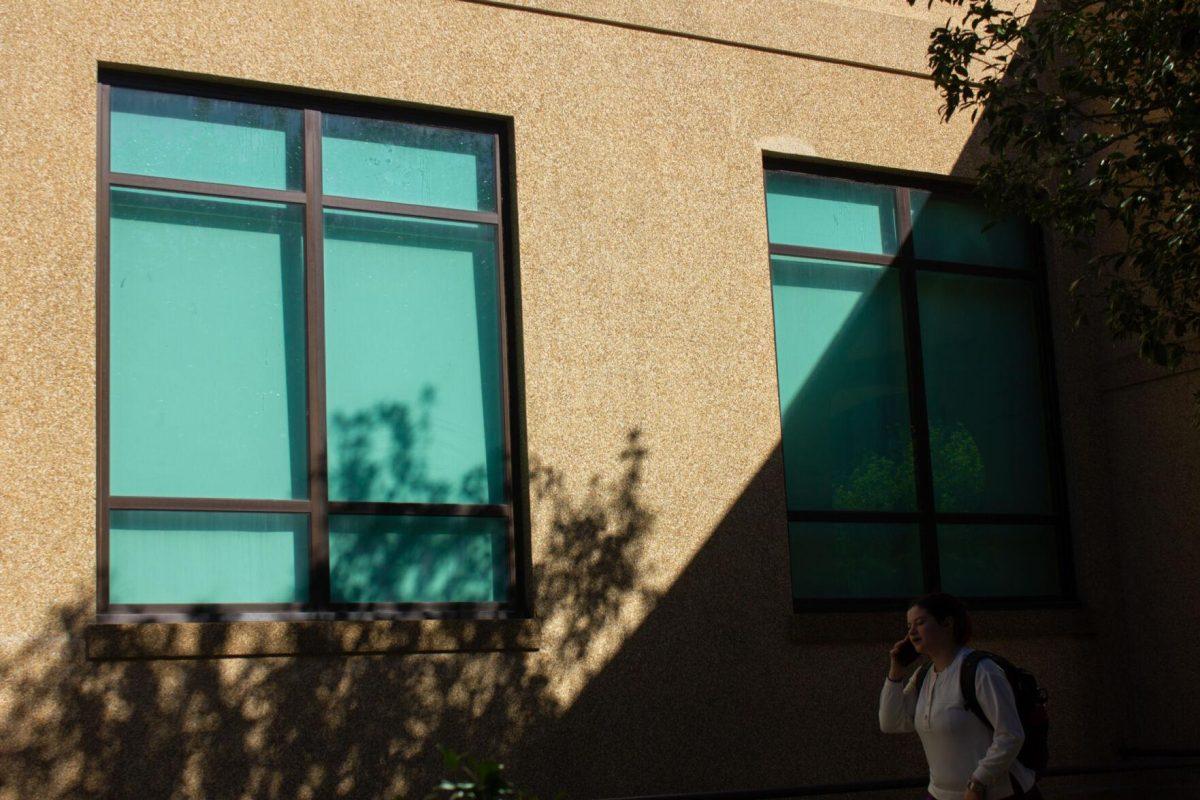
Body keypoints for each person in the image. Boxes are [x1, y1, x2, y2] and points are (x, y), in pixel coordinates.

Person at [879, 593, 1041, 800]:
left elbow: (1010, 734)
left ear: (947, 623)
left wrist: (977, 783)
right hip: (939, 794)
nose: (911, 632)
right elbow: (890, 723)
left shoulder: (982, 671)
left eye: (919, 623)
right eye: (908, 626)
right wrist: (896, 670)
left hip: (996, 794)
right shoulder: (923, 675)